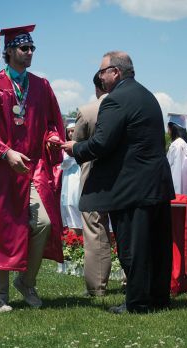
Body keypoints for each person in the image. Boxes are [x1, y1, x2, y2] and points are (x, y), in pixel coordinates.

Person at [61, 51, 175, 314]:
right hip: (155, 184)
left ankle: (136, 302)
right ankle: (158, 297)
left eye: (102, 72)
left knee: (132, 248)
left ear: (115, 72)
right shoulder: (147, 96)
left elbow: (101, 142)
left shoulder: (115, 100)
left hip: (131, 187)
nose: (99, 77)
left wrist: (75, 147)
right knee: (156, 246)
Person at [0, 25, 65, 312]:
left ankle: (26, 281)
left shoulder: (41, 86)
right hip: (2, 170)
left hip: (33, 167)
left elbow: (52, 122)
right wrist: (5, 152)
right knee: (0, 229)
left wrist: (52, 137)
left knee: (44, 223)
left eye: (32, 48)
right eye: (24, 49)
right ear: (9, 51)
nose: (29, 53)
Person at [72, 72, 111, 296]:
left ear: (97, 88)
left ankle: (97, 287)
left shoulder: (87, 111)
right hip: (123, 176)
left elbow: (77, 145)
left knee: (95, 229)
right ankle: (130, 280)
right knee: (125, 228)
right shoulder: (129, 106)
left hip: (94, 174)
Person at [167, 113, 187, 195]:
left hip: (178, 195)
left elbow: (176, 173)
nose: (167, 130)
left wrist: (175, 197)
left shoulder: (177, 145)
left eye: (168, 127)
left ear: (172, 128)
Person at [60, 122, 82, 233]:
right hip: (68, 178)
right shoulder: (64, 147)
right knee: (68, 203)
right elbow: (63, 164)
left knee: (78, 202)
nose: (70, 133)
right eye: (68, 131)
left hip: (80, 176)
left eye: (73, 130)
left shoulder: (83, 144)